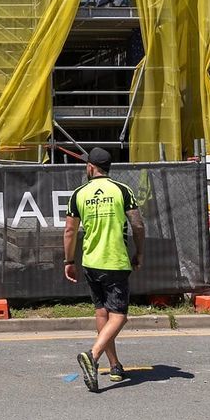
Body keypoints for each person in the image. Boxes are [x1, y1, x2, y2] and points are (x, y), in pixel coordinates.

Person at [64, 147, 145, 392]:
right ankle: (94, 354)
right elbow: (138, 225)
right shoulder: (123, 190)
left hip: (90, 261)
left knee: (102, 313)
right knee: (119, 315)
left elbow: (69, 231)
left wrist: (69, 261)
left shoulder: (78, 193)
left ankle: (115, 365)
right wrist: (139, 252)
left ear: (90, 167)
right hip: (116, 261)